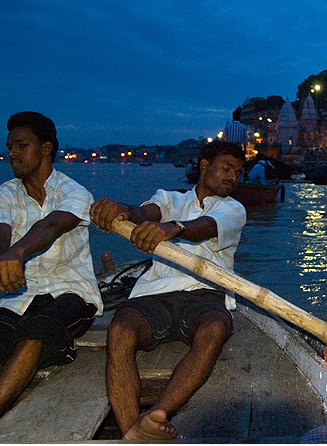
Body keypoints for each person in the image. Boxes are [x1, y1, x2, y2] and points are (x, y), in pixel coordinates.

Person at [0, 112, 102, 442]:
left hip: (71, 292)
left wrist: (16, 254)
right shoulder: (3, 195)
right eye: (9, 147)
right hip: (19, 296)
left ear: (46, 148)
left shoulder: (75, 192)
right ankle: (8, 434)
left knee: (33, 335)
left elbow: (49, 227)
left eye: (21, 145)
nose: (12, 153)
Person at [89, 140, 246, 441]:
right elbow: (143, 212)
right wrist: (119, 210)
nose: (232, 177)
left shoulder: (233, 208)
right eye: (226, 168)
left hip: (205, 294)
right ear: (204, 167)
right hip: (154, 294)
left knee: (215, 329)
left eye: (237, 172)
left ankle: (155, 415)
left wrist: (174, 229)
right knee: (119, 330)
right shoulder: (168, 198)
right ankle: (131, 433)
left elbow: (204, 227)